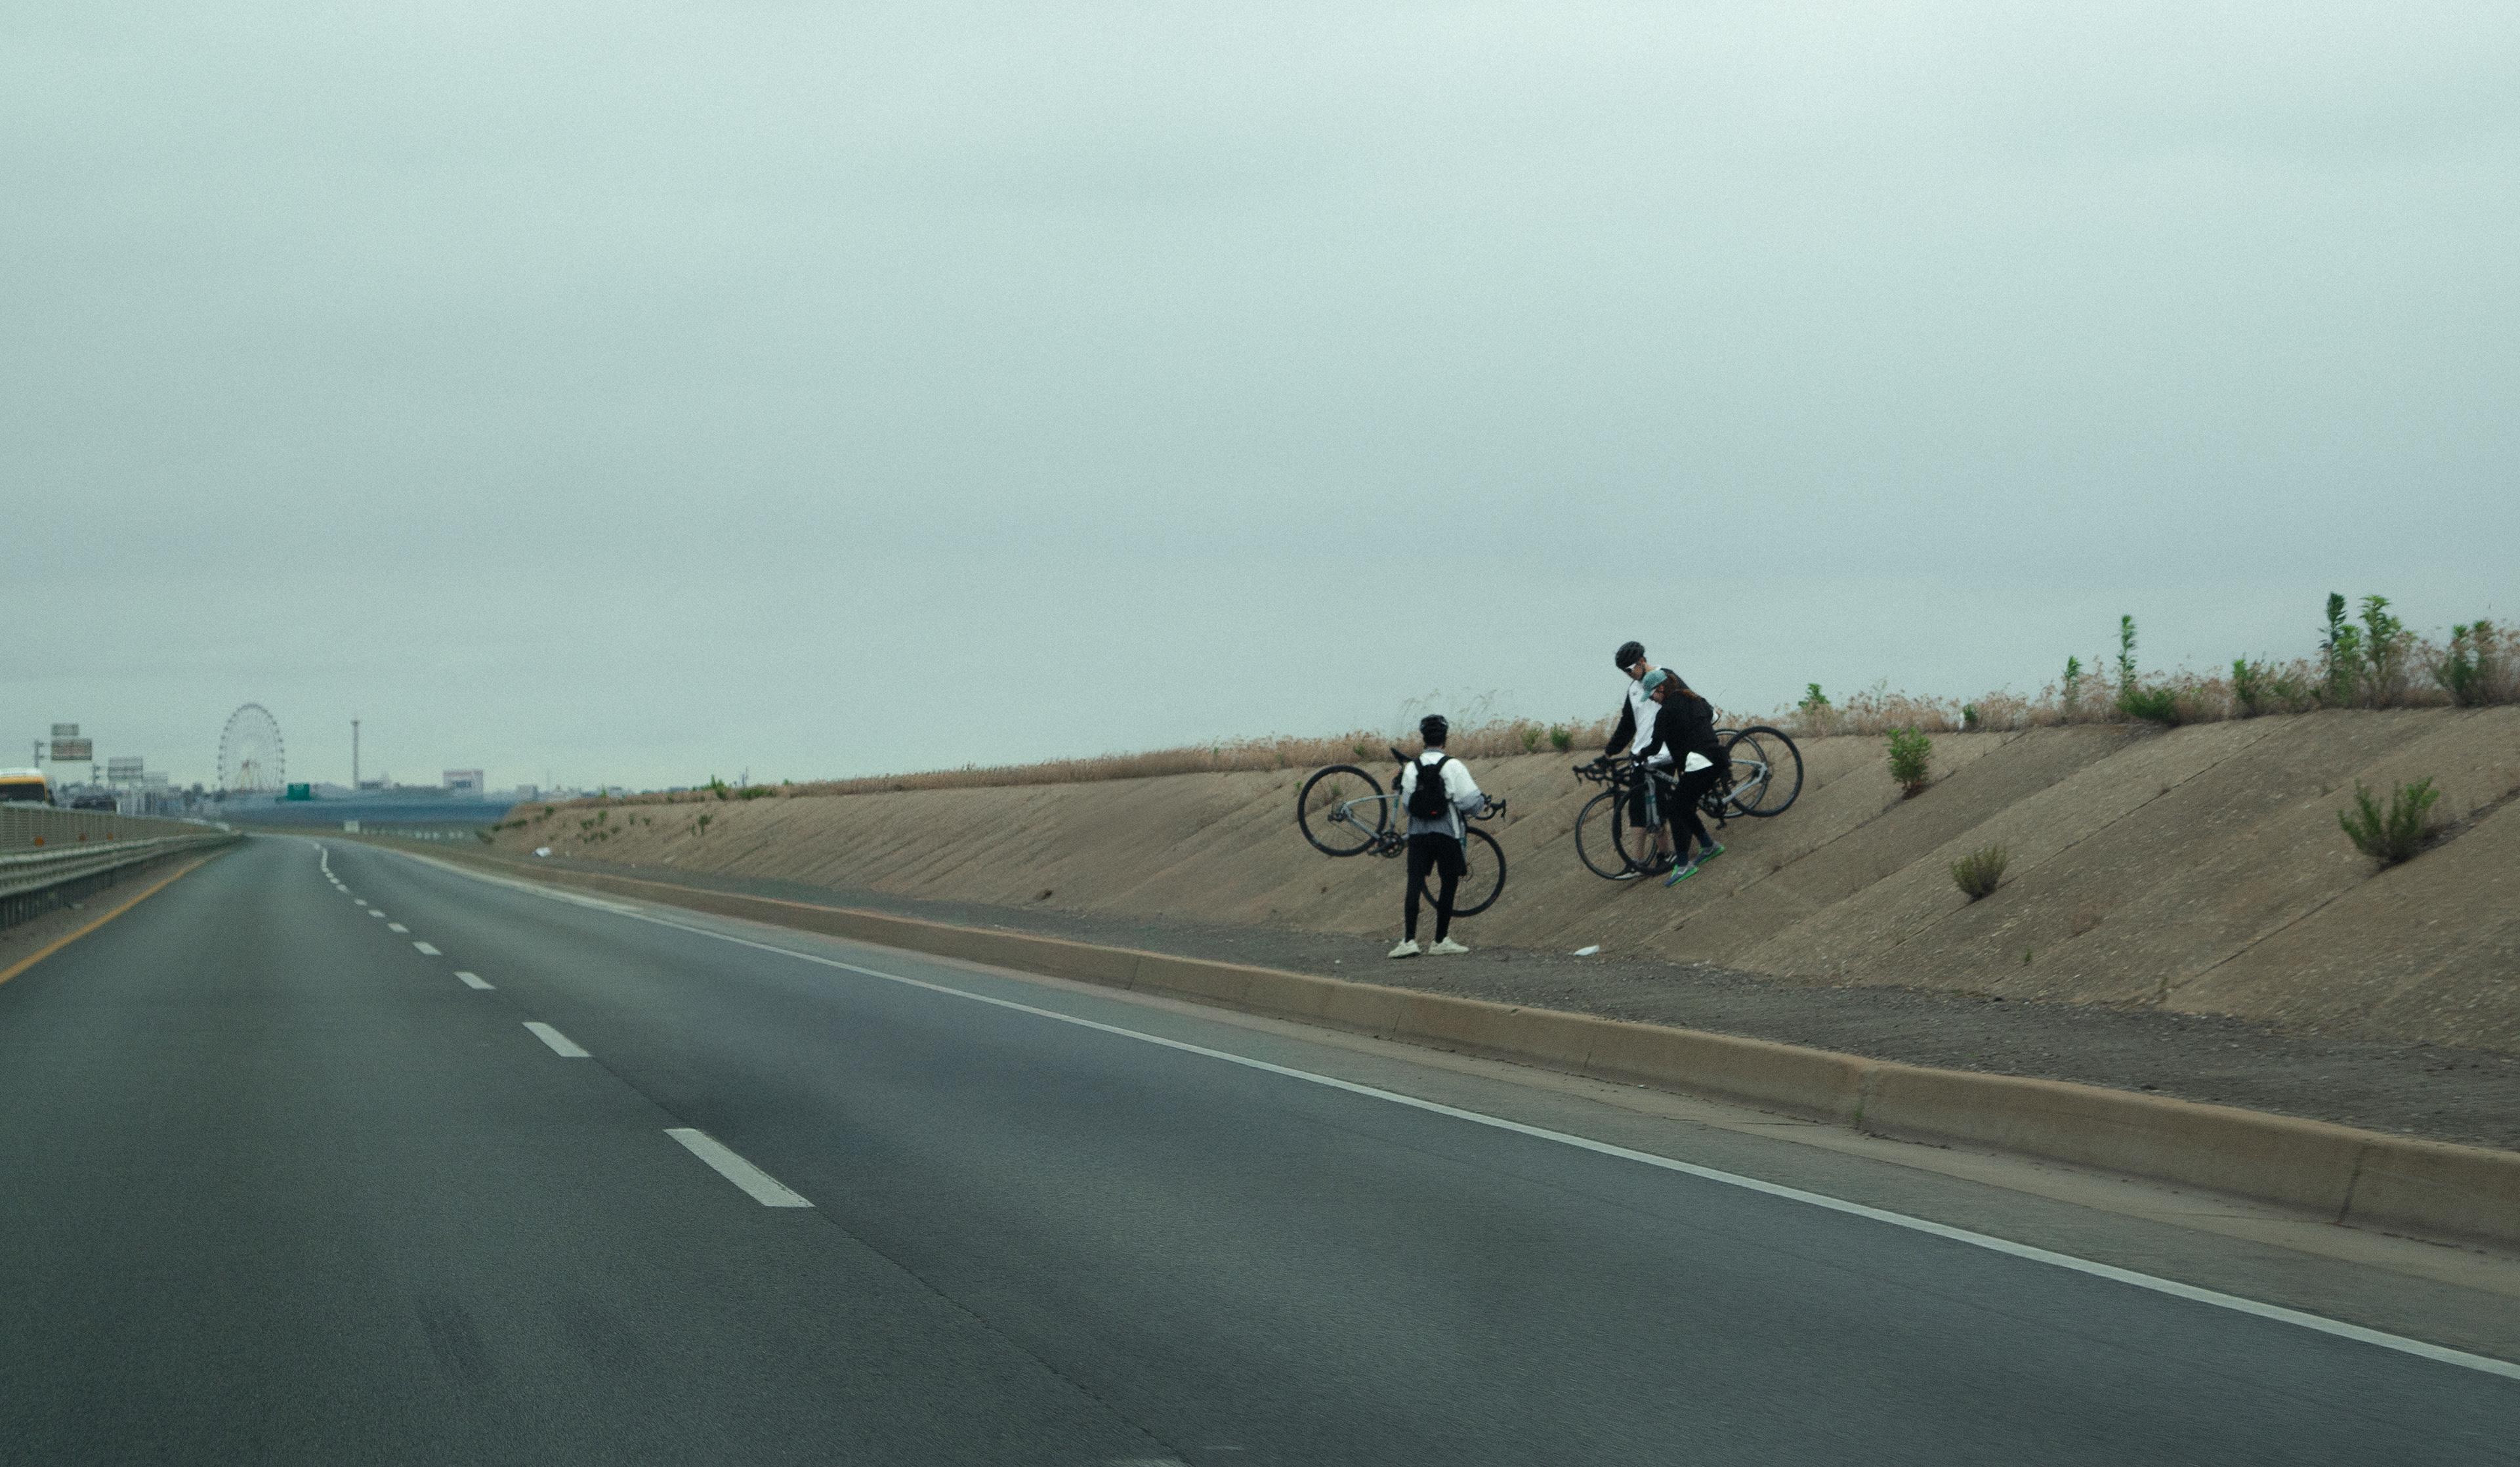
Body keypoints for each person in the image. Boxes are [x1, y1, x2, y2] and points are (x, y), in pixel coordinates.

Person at [1389, 714, 1494, 958]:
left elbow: (1407, 806)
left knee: (1414, 883)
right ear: (1445, 740)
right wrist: (1482, 803)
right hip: (1448, 833)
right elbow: (1470, 803)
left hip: (1418, 835)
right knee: (1448, 883)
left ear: (1424, 739)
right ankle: (1440, 940)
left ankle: (1409, 941)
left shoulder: (1412, 768)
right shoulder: (1453, 766)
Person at [1632, 668, 1727, 884]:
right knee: (1684, 806)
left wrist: (1640, 755)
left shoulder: (1665, 713)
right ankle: (1708, 845)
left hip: (1700, 764)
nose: (1653, 700)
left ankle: (1683, 865)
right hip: (1718, 758)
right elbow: (1713, 717)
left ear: (1661, 688)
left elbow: (1655, 747)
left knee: (1675, 809)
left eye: (1653, 695)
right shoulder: (1695, 699)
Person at [1603, 641, 1678, 870]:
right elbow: (1627, 725)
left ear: (1642, 661)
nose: (1628, 674)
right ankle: (1637, 862)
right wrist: (1609, 751)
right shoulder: (1634, 690)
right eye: (1624, 672)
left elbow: (1686, 701)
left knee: (1658, 805)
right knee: (1636, 809)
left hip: (1664, 753)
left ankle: (1665, 855)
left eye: (1630, 669)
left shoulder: (1665, 677)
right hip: (1640, 756)